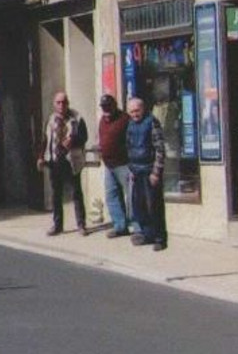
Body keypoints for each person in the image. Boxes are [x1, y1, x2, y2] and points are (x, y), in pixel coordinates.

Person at [38, 91, 88, 235]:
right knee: (56, 194)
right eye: (58, 103)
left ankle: (81, 224)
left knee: (76, 193)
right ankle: (57, 225)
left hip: (72, 160)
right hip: (55, 161)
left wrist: (72, 141)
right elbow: (44, 139)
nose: (61, 105)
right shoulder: (51, 119)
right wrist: (41, 157)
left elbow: (84, 137)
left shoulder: (76, 118)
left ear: (68, 103)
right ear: (54, 104)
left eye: (64, 102)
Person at [126, 95, 167, 251]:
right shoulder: (130, 125)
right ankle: (147, 234)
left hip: (150, 170)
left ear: (143, 109)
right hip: (136, 171)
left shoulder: (152, 122)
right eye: (131, 112)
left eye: (137, 111)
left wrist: (156, 172)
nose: (135, 114)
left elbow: (160, 149)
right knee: (139, 206)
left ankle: (160, 238)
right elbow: (129, 148)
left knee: (154, 206)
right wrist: (131, 170)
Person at [96, 93, 132, 238]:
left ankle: (137, 226)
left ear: (114, 106)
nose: (106, 110)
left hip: (124, 164)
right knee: (112, 196)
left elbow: (131, 140)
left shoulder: (124, 119)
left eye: (108, 106)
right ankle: (120, 226)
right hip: (109, 165)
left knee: (132, 196)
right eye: (103, 107)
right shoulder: (102, 121)